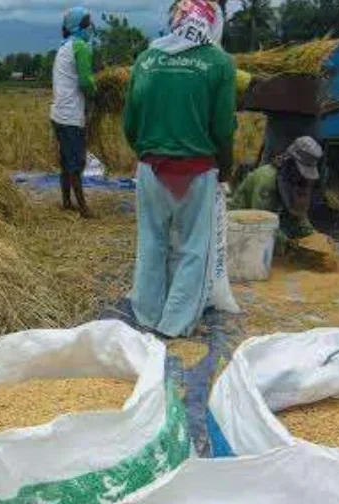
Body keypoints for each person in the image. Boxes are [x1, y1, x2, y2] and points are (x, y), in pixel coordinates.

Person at [122, 0, 236, 338]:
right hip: (196, 171)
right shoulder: (219, 63)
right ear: (210, 25)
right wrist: (225, 167)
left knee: (152, 243)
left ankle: (146, 315)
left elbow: (130, 124)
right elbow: (223, 128)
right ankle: (174, 325)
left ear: (177, 21)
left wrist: (150, 153)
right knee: (192, 249)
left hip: (151, 169)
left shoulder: (146, 60)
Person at [229, 136, 322, 240]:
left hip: (271, 227)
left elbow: (300, 217)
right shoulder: (266, 178)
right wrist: (291, 245)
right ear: (290, 163)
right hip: (239, 228)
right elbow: (261, 222)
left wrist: (315, 238)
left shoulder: (293, 182)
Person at [51, 6, 97, 218]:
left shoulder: (64, 46)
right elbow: (86, 81)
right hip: (71, 115)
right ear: (80, 27)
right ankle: (83, 208)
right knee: (77, 162)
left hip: (58, 113)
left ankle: (67, 202)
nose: (91, 29)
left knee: (65, 160)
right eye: (88, 25)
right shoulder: (80, 47)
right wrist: (97, 94)